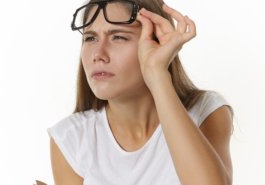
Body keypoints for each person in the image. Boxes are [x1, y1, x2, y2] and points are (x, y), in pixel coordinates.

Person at [47, 0, 234, 184]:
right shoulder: (71, 138)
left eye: (118, 37)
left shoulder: (205, 111)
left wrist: (157, 72)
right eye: (90, 38)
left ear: (157, 42)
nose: (98, 54)